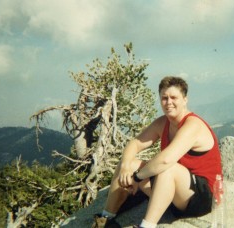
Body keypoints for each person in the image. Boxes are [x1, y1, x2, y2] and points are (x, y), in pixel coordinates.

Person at [92, 76, 223, 228]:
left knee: (167, 169)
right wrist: (127, 166)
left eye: (174, 97)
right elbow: (135, 143)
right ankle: (106, 219)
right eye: (164, 98)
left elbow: (166, 160)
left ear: (185, 99)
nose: (169, 103)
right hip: (174, 193)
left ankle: (147, 225)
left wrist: (136, 177)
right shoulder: (163, 123)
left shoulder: (193, 125)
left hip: (203, 197)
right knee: (129, 163)